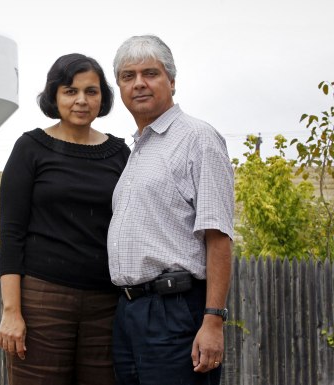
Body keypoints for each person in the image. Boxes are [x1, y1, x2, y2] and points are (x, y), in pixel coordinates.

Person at [107, 35, 234, 385]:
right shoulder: (137, 150)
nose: (139, 84)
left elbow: (218, 236)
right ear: (119, 87)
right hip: (130, 312)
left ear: (172, 81)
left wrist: (213, 321)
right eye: (128, 76)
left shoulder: (198, 139)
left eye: (151, 73)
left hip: (174, 311)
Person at [0, 53, 131, 385]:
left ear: (103, 97)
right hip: (43, 301)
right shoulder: (31, 148)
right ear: (54, 96)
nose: (81, 100)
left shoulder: (120, 154)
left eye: (91, 91)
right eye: (71, 91)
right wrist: (12, 312)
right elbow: (11, 235)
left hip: (106, 305)